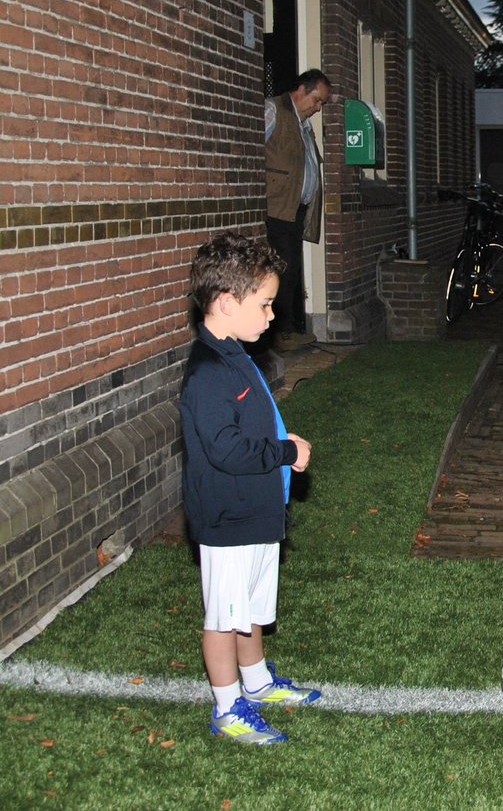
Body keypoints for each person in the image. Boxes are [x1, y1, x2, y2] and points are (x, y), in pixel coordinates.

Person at [180, 232, 321, 744]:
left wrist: (284, 442)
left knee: (250, 611)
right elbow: (227, 450)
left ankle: (256, 683)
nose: (270, 316)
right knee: (225, 617)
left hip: (257, 513)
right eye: (263, 305)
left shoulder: (235, 353)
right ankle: (227, 707)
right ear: (225, 302)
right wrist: (284, 453)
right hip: (228, 520)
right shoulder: (208, 373)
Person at [265, 69, 331, 351]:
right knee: (282, 270)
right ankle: (279, 334)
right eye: (316, 100)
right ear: (302, 89)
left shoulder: (303, 123)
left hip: (296, 210)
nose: (318, 108)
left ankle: (286, 331)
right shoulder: (273, 111)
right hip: (277, 207)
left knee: (290, 270)